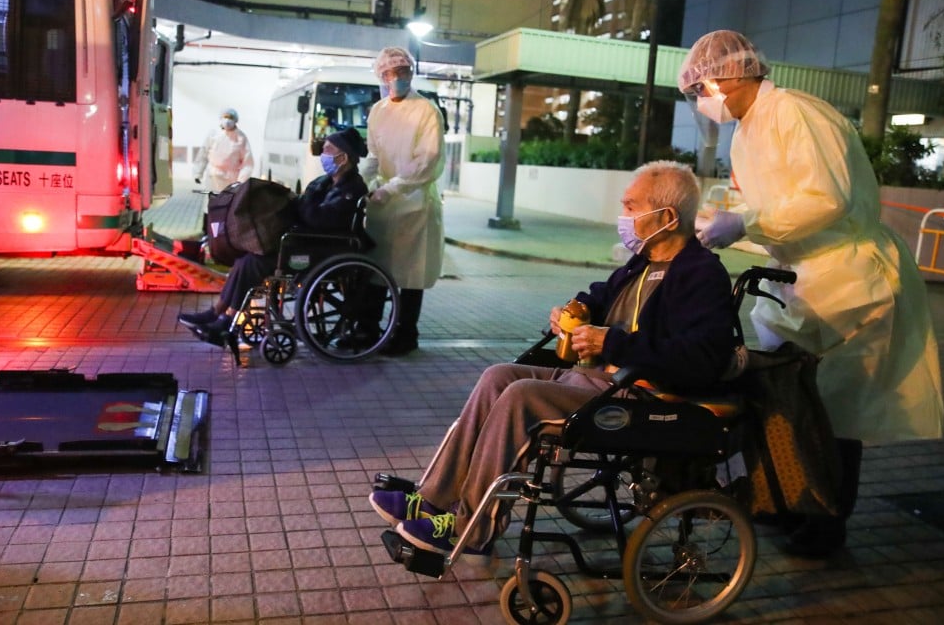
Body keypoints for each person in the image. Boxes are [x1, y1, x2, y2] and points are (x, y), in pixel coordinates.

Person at [368, 162, 737, 557]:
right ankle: (434, 499)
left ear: (666, 218)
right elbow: (599, 296)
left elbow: (701, 358)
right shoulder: (642, 262)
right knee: (498, 376)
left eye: (631, 206)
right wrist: (575, 309)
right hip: (598, 382)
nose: (623, 215)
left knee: (521, 396)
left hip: (642, 397)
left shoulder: (701, 274)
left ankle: (471, 529)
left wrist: (611, 342)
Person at [677, 29, 944, 558]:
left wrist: (746, 222)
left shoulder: (795, 112)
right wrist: (729, 223)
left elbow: (826, 199)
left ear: (731, 75)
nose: (701, 100)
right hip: (803, 277)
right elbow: (776, 208)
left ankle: (827, 522)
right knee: (789, 399)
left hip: (849, 279)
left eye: (701, 88)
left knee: (833, 411)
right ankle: (789, 500)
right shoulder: (748, 130)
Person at [179, 128, 369, 337]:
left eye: (328, 150)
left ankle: (227, 319)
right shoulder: (323, 182)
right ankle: (216, 312)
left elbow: (319, 219)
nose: (323, 154)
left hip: (321, 250)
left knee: (253, 262)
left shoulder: (352, 188)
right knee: (246, 257)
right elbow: (302, 208)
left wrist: (301, 205)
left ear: (343, 157)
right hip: (303, 242)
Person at [361, 46, 446, 356]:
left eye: (401, 72)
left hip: (415, 202)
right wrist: (362, 183)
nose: (395, 78)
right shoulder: (378, 111)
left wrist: (393, 188)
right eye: (388, 73)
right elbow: (373, 155)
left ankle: (406, 334)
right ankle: (368, 330)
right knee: (376, 270)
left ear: (411, 73)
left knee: (410, 275)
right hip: (383, 206)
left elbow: (427, 160)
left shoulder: (426, 111)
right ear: (381, 76)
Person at [193, 107, 255, 193]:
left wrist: (241, 181)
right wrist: (198, 173)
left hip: (231, 181)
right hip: (213, 177)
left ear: (235, 120)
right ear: (221, 118)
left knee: (228, 200)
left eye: (230, 118)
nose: (227, 120)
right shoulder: (214, 135)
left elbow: (248, 163)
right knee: (213, 200)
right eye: (225, 117)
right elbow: (203, 155)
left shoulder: (241, 138)